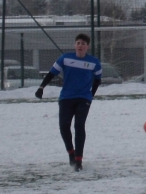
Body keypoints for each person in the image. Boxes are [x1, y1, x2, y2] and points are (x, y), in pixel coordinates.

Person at [35, 34, 102, 172]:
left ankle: (78, 160)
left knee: (79, 126)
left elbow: (97, 80)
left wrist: (91, 95)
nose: (80, 45)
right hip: (66, 97)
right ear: (74, 45)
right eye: (78, 43)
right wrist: (41, 88)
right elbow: (52, 73)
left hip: (83, 98)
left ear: (87, 46)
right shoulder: (65, 58)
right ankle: (71, 152)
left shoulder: (94, 62)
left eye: (83, 43)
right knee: (64, 126)